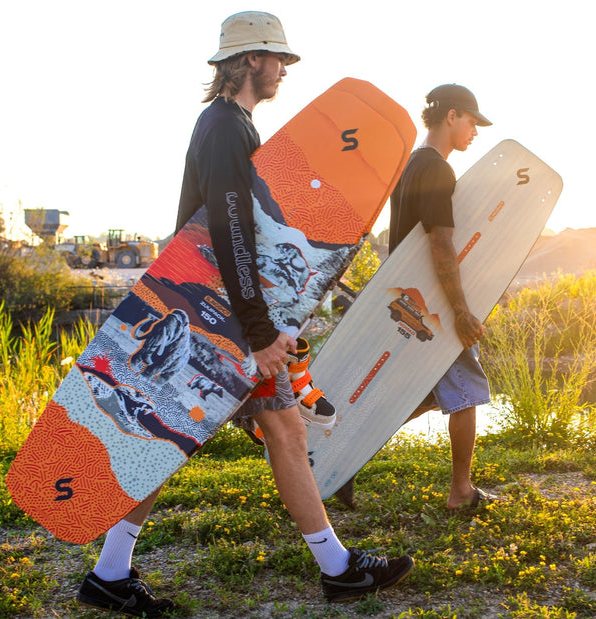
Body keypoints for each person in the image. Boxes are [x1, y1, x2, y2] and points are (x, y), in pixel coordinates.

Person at [75, 12, 413, 617]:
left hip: (224, 310)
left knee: (254, 430)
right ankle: (333, 568)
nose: (285, 69)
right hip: (221, 315)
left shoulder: (230, 126)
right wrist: (259, 331)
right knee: (174, 436)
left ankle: (113, 572)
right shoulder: (226, 128)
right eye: (278, 58)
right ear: (251, 59)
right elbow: (230, 230)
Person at [335, 84, 502, 514]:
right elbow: (440, 244)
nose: (475, 132)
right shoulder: (438, 171)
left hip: (409, 299)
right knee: (466, 392)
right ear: (451, 117)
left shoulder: (410, 166)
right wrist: (461, 312)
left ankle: (347, 458)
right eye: (471, 121)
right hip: (434, 305)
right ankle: (461, 492)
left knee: (424, 395)